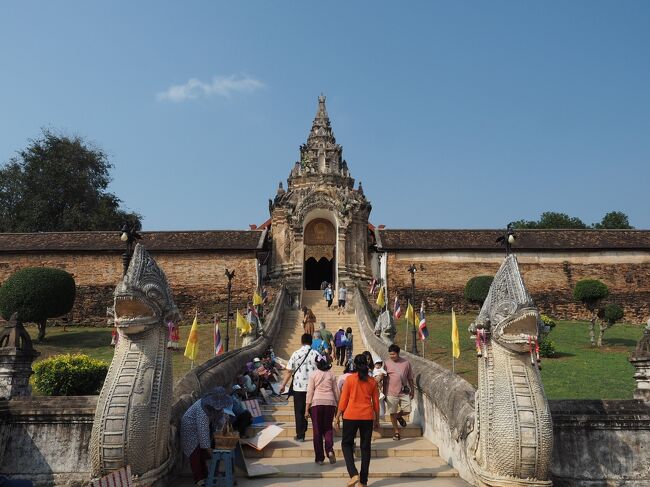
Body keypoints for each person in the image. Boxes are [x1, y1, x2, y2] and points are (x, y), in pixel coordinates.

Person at [334, 354, 380, 487]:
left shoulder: (350, 379)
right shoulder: (372, 381)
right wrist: (377, 419)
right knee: (366, 448)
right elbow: (376, 402)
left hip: (350, 416)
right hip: (366, 416)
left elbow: (343, 400)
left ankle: (353, 474)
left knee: (346, 444)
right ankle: (363, 482)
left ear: (354, 365)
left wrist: (337, 417)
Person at [181, 387, 234, 486]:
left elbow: (220, 417)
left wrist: (224, 423)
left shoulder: (216, 406)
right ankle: (199, 479)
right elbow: (203, 431)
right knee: (195, 454)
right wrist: (209, 449)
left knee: (202, 454)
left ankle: (205, 475)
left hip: (200, 429)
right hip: (190, 428)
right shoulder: (202, 409)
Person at [279, 333, 320, 441]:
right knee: (314, 412)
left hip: (299, 388)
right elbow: (323, 369)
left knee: (299, 412)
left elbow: (288, 371)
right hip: (313, 388)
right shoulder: (316, 354)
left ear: (301, 342)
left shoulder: (296, 354)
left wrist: (283, 385)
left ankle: (300, 435)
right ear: (311, 342)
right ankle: (318, 434)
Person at [305, 354, 340, 465]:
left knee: (317, 431)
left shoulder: (313, 374)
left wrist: (306, 409)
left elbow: (310, 392)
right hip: (330, 403)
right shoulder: (332, 375)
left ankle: (320, 458)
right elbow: (336, 392)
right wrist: (338, 407)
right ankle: (329, 450)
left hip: (316, 403)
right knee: (328, 429)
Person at [384, 344, 414, 441]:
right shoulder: (386, 364)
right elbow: (383, 379)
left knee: (407, 410)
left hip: (403, 391)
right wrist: (384, 392)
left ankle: (399, 416)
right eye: (390, 354)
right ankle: (396, 432)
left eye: (394, 354)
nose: (392, 356)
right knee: (392, 412)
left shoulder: (406, 363)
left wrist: (412, 390)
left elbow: (410, 378)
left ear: (398, 353)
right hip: (391, 392)